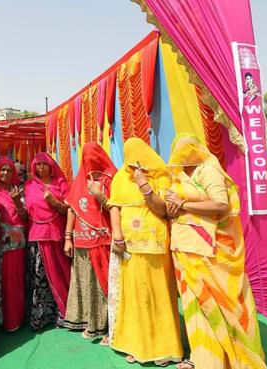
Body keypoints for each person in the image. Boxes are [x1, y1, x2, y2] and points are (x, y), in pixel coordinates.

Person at [165, 135, 267, 369]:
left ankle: (234, 359)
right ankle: (204, 360)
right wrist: (172, 206)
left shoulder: (208, 170)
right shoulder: (181, 174)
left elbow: (221, 205)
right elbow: (173, 205)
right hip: (187, 249)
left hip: (214, 253)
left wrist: (182, 204)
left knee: (224, 307)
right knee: (197, 307)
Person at [108, 138, 183, 366]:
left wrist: (144, 185)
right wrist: (117, 234)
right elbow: (114, 207)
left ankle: (164, 347)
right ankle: (136, 344)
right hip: (130, 246)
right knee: (135, 296)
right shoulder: (121, 177)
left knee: (159, 295)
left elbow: (164, 211)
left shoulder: (160, 176)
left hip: (156, 245)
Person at [62, 143, 115, 344]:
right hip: (82, 242)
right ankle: (89, 321)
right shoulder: (80, 180)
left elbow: (117, 208)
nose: (89, 160)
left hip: (104, 240)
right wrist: (68, 238)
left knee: (104, 284)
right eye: (86, 157)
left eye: (93, 156)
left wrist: (100, 194)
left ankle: (108, 325)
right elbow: (72, 209)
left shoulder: (112, 178)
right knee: (86, 283)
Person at [24, 152, 71, 329]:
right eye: (38, 164)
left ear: (51, 166)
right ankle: (41, 317)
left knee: (61, 274)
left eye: (45, 164)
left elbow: (69, 210)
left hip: (56, 235)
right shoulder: (30, 185)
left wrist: (53, 202)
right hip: (37, 237)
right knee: (40, 278)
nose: (41, 167)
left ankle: (65, 313)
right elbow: (27, 211)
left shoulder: (61, 183)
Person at [0, 158, 28, 332]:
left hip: (19, 243)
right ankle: (6, 320)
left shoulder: (18, 191)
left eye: (9, 170)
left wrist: (18, 201)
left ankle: (18, 318)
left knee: (17, 280)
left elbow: (25, 218)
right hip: (2, 244)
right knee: (4, 282)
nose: (5, 173)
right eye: (2, 170)